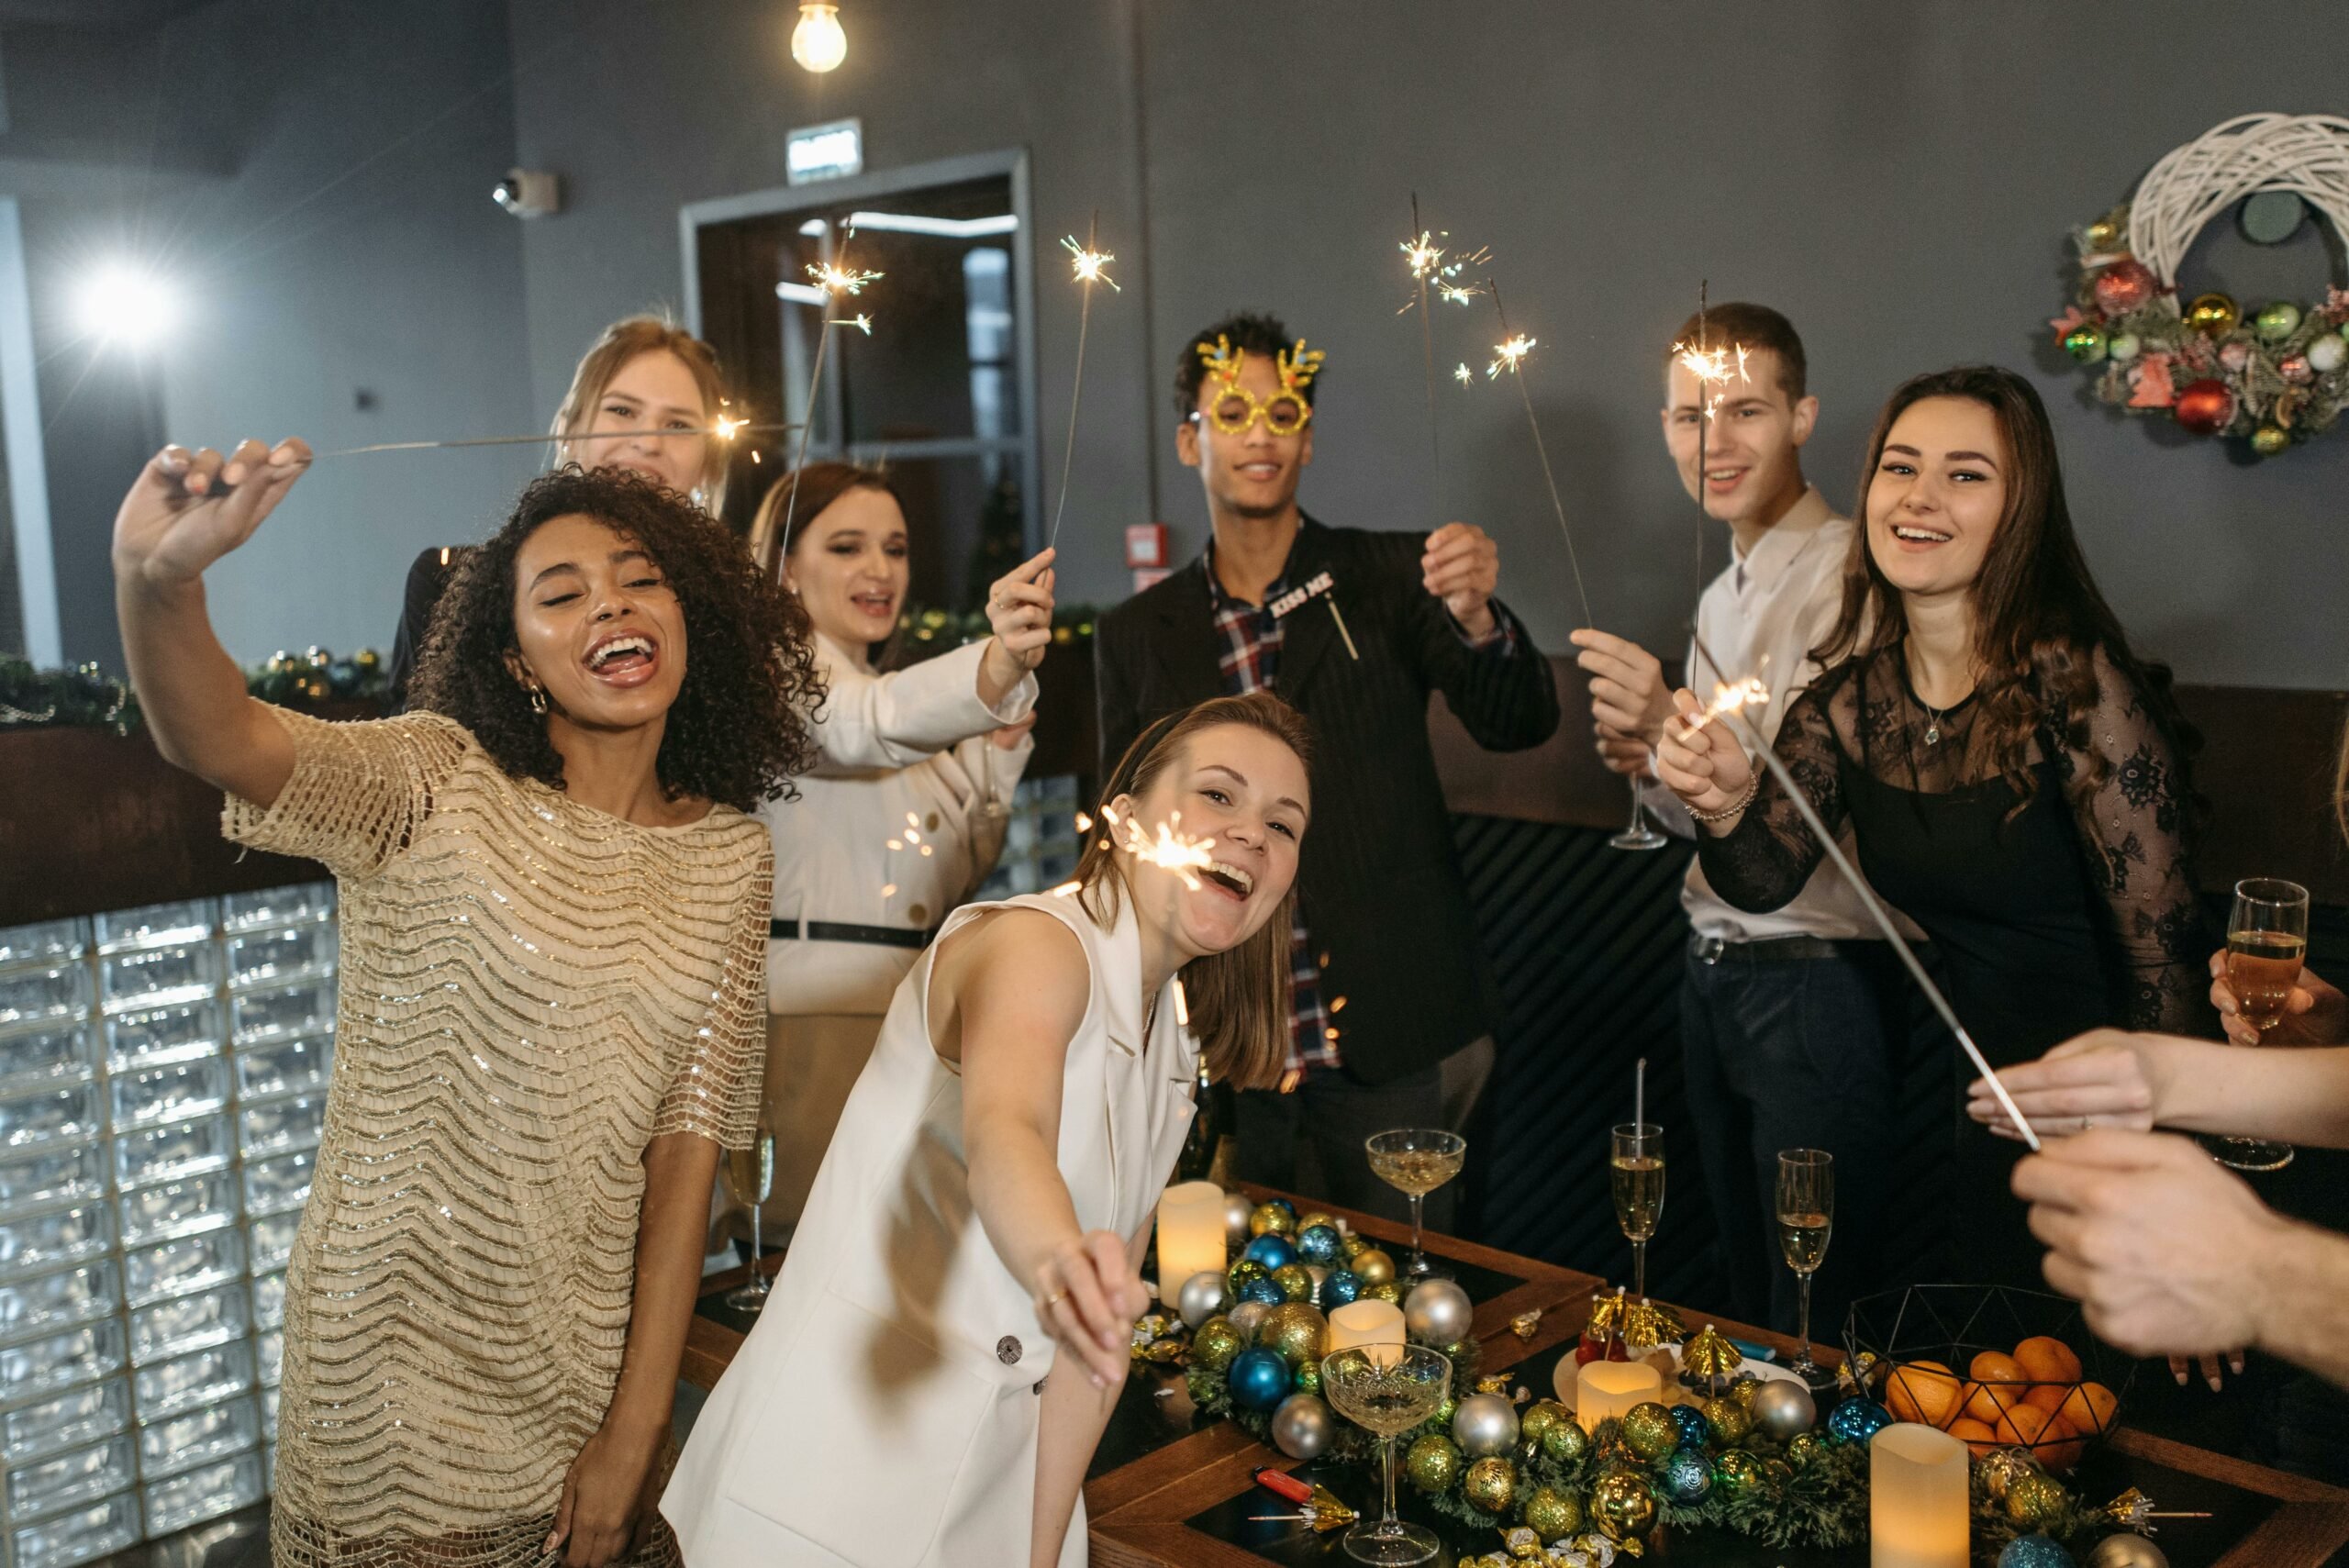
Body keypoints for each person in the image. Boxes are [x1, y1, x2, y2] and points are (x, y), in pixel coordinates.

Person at [113, 444, 818, 1568]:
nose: (611, 605)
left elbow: (690, 1149)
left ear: (690, 613)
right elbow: (214, 733)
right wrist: (159, 584)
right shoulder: (432, 782)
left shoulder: (730, 855)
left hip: (578, 1360)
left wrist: (637, 1424)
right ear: (517, 658)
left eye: (639, 577)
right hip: (387, 1364)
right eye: (563, 592)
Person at [662, 692, 1313, 1568]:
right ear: (1124, 814)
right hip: (821, 1486)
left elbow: (1091, 1365)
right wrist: (1058, 1258)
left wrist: (1041, 1552)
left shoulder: (1174, 1052)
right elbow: (1010, 1130)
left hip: (986, 1509)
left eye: (1285, 824)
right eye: (1220, 796)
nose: (1251, 835)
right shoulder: (1035, 945)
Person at [1654, 364, 2207, 1286]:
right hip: (1985, 1103)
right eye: (1899, 467)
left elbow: (2166, 966)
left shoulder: (2073, 684)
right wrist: (1719, 804)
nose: (1920, 498)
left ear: (2019, 506)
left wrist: (2179, 1187)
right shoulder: (1850, 699)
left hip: (2116, 1106)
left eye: (1965, 474)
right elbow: (1764, 876)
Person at [1093, 312, 1558, 1227]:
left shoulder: (1393, 574)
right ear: (1192, 438)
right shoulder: (1135, 633)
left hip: (1401, 1032)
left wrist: (1475, 618)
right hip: (1226, 1048)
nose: (1260, 430)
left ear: (1307, 434)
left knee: (1415, 1309)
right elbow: (1118, 830)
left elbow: (1519, 721)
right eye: (1232, 411)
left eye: (1283, 408)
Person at [1569, 303, 1917, 1337]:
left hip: (1817, 981)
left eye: (1742, 410)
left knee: (1817, 1297)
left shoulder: (1856, 570)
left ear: (1802, 415)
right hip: (1711, 964)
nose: (1711, 442)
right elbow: (1711, 816)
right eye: (1686, 417)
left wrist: (1672, 734)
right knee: (1746, 1284)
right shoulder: (1721, 590)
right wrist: (1650, 764)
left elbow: (1809, 812)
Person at [733, 461, 1058, 1240]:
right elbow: (859, 724)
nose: (879, 570)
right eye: (846, 547)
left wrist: (997, 750)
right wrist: (993, 670)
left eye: (896, 547)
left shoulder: (878, 689)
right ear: (784, 568)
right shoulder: (778, 673)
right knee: (802, 1263)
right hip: (813, 1022)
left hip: (908, 1015)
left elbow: (951, 866)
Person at [388, 314, 735, 707]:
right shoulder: (450, 584)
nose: (648, 442)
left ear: (710, 464)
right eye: (622, 411)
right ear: (569, 431)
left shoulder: (734, 611)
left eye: (678, 425)